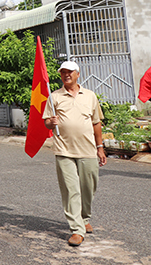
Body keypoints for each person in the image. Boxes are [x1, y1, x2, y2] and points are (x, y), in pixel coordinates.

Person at [44, 60, 106, 247]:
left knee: (88, 187)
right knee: (71, 190)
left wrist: (100, 147)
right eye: (63, 72)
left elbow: (96, 123)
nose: (66, 75)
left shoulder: (89, 96)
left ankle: (84, 218)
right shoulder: (54, 97)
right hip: (64, 150)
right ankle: (77, 230)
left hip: (87, 150)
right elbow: (46, 122)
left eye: (70, 72)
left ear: (78, 74)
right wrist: (51, 122)